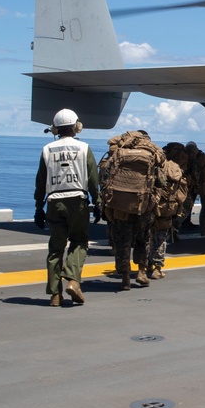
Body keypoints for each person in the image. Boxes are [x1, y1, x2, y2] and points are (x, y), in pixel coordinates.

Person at [34, 108, 101, 307]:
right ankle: (73, 280)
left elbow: (40, 182)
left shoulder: (47, 149)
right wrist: (97, 203)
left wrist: (39, 208)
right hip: (77, 200)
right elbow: (93, 179)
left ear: (55, 128)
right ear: (76, 127)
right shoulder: (84, 148)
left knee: (55, 249)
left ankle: (55, 294)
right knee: (79, 241)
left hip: (54, 201)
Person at [99, 130, 165, 290]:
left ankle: (125, 278)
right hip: (143, 206)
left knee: (122, 241)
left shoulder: (119, 153)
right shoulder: (151, 152)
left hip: (120, 207)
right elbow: (161, 181)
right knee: (143, 239)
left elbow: (104, 178)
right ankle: (142, 272)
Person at [147, 159, 187, 280]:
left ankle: (146, 264)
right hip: (166, 207)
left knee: (147, 236)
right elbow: (181, 193)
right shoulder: (172, 168)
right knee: (161, 236)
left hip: (148, 206)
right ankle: (157, 268)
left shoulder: (148, 166)